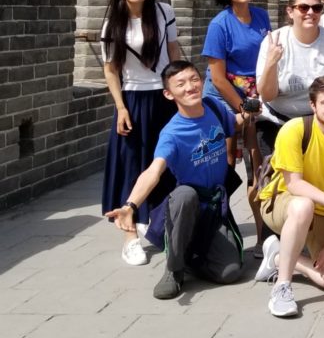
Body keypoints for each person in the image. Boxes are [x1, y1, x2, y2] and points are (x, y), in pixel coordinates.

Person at [104, 60, 244, 300]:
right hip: (185, 207)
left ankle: (189, 257)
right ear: (169, 94)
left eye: (194, 80)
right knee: (184, 194)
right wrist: (130, 206)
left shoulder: (213, 107)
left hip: (213, 209)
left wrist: (251, 113)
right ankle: (174, 268)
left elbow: (235, 123)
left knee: (230, 273)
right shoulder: (173, 132)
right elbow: (153, 172)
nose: (190, 87)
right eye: (181, 84)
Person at [255, 75, 324, 317]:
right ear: (313, 105)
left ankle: (280, 256)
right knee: (303, 205)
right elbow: (294, 185)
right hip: (282, 205)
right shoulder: (294, 130)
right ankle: (282, 287)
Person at [254, 0, 324, 248]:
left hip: (318, 125)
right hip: (278, 121)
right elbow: (266, 94)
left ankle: (315, 238)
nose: (311, 13)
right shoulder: (274, 41)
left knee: (314, 182)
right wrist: (272, 62)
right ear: (290, 11)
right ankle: (271, 242)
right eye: (303, 8)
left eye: (316, 8)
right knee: (277, 184)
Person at [100, 0, 183, 266]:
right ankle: (130, 236)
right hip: (133, 99)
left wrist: (180, 89)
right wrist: (120, 107)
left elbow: (173, 52)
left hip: (164, 97)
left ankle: (163, 226)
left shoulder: (164, 12)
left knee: (167, 162)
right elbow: (110, 70)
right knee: (131, 163)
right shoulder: (113, 24)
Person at [201, 0, 272, 242]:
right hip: (223, 97)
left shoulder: (261, 16)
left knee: (257, 164)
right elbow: (217, 78)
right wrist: (244, 108)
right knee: (225, 162)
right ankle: (220, 228)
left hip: (254, 96)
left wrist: (256, 100)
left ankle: (264, 234)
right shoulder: (220, 25)